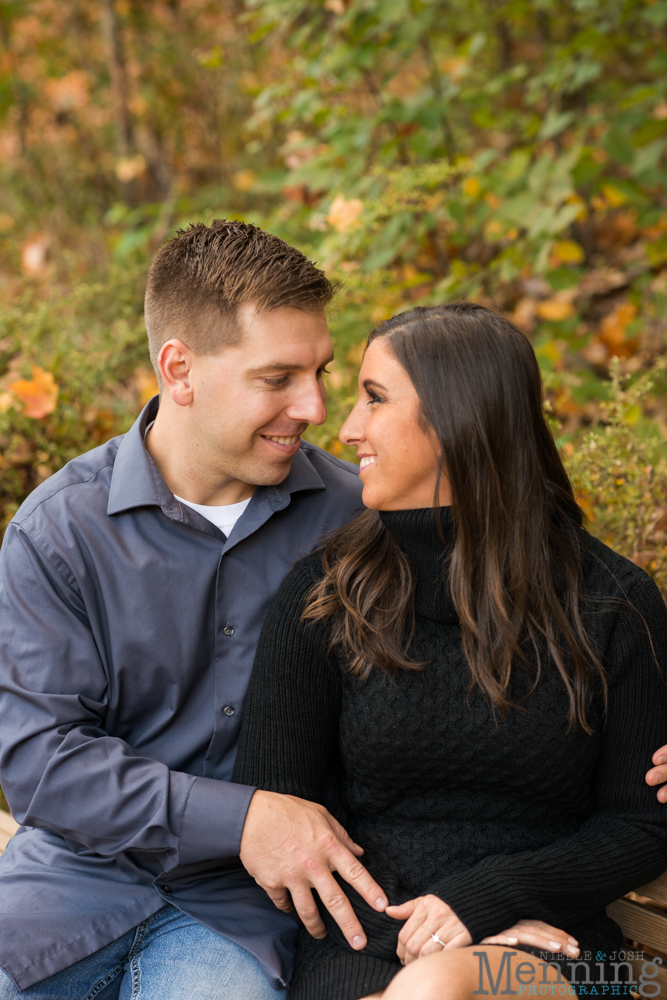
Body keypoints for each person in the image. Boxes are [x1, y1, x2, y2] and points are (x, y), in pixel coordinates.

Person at [0, 223, 573, 999]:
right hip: (69, 887)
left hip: (244, 915)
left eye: (321, 373)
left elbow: (531, 614)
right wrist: (243, 819)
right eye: (277, 378)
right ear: (180, 370)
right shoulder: (60, 531)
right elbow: (42, 764)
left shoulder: (362, 515)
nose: (313, 408)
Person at [232, 301, 667, 1000]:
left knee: (435, 990)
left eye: (374, 398)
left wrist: (486, 902)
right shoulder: (324, 596)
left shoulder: (610, 603)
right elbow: (282, 811)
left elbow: (638, 824)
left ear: (457, 418)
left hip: (555, 948)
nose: (347, 428)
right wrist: (422, 928)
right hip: (368, 944)